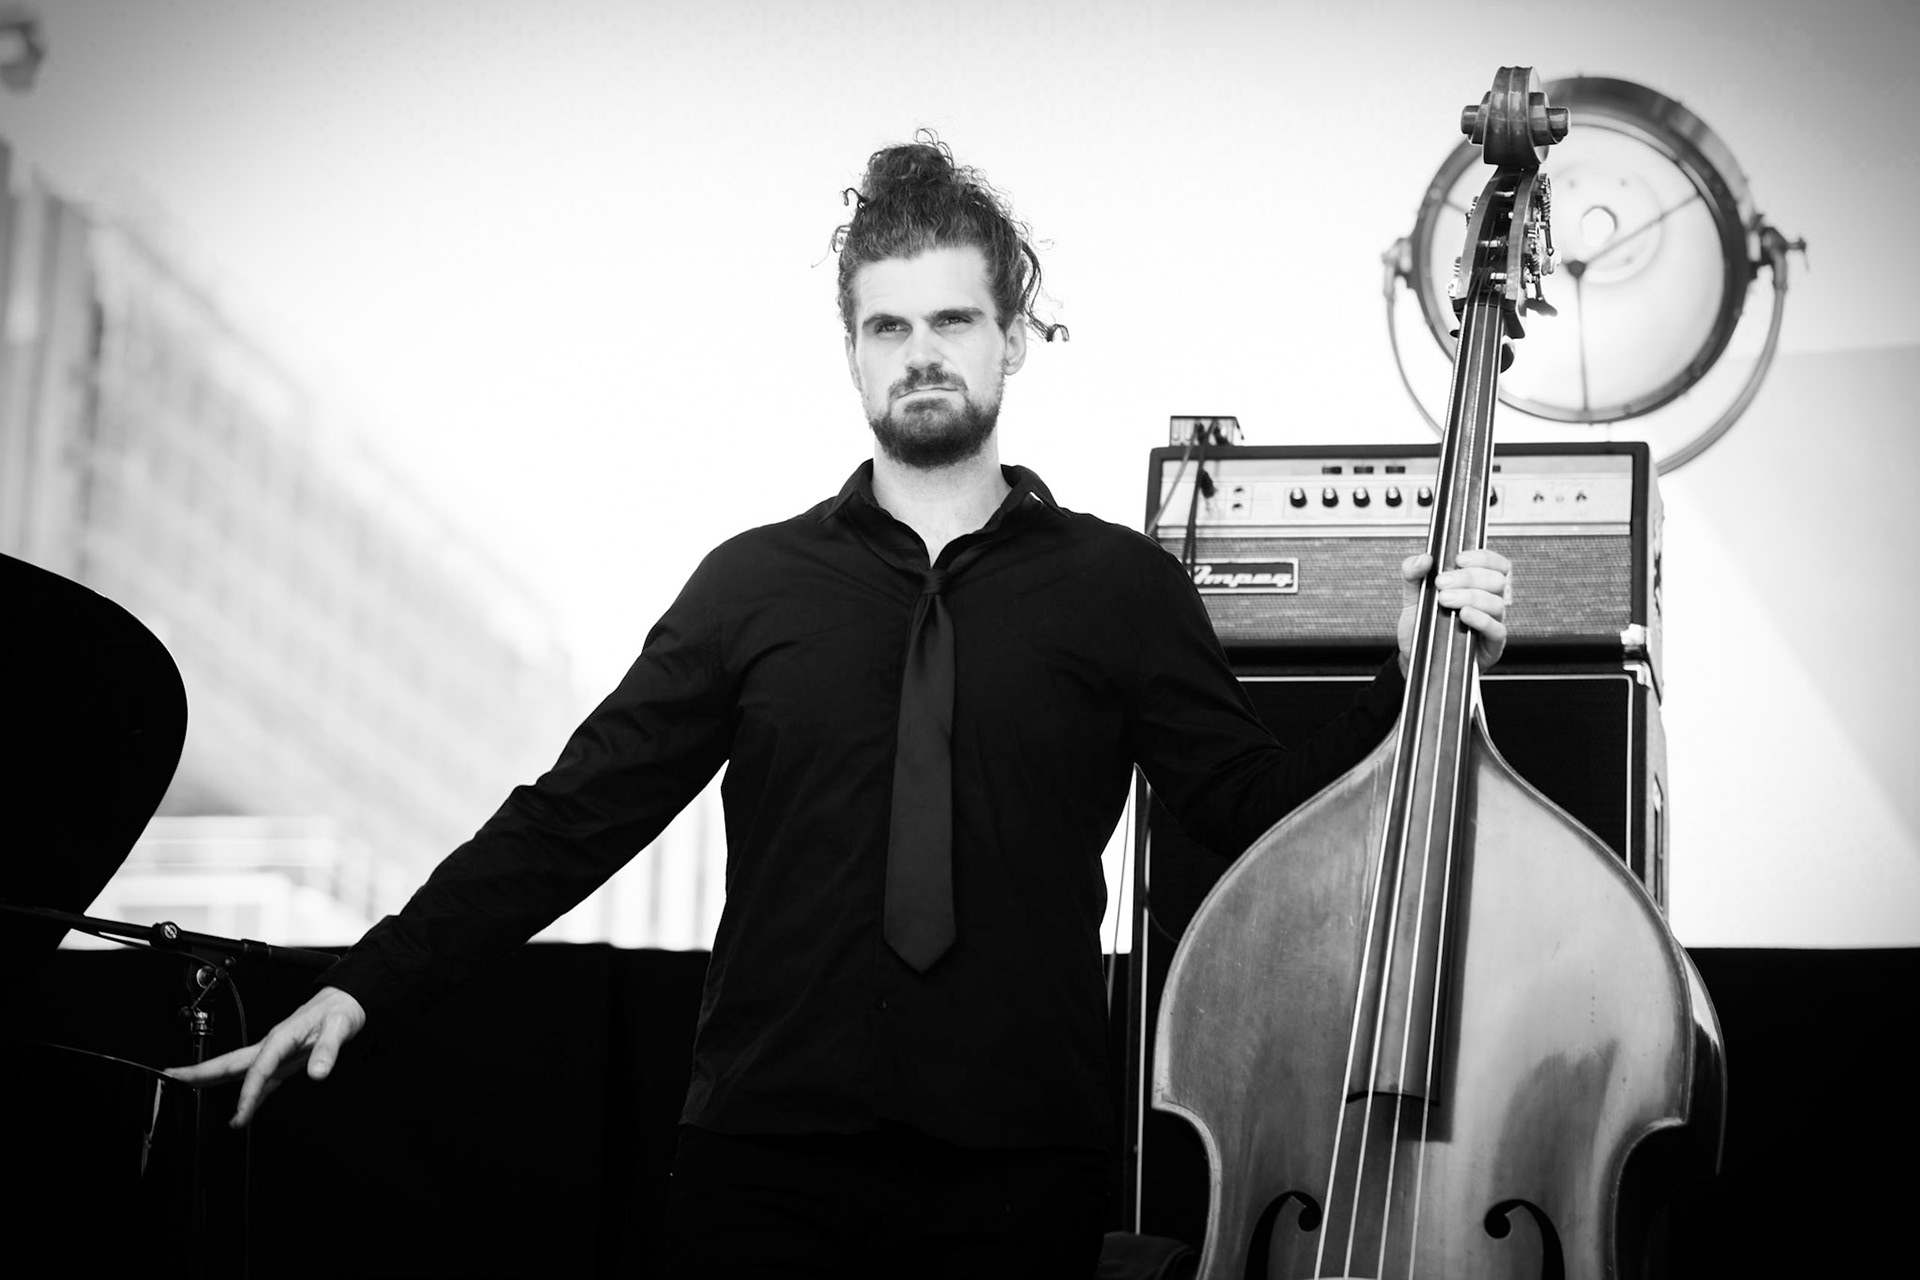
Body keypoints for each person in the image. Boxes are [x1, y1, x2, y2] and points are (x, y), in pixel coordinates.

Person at [168, 135, 1511, 1277]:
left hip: (1020, 1167)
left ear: (1014, 337)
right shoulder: (750, 588)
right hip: (764, 1165)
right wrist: (365, 986)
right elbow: (572, 818)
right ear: (853, 353)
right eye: (889, 327)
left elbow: (1257, 818)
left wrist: (1414, 679)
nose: (921, 354)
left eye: (953, 321)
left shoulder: (1121, 590)